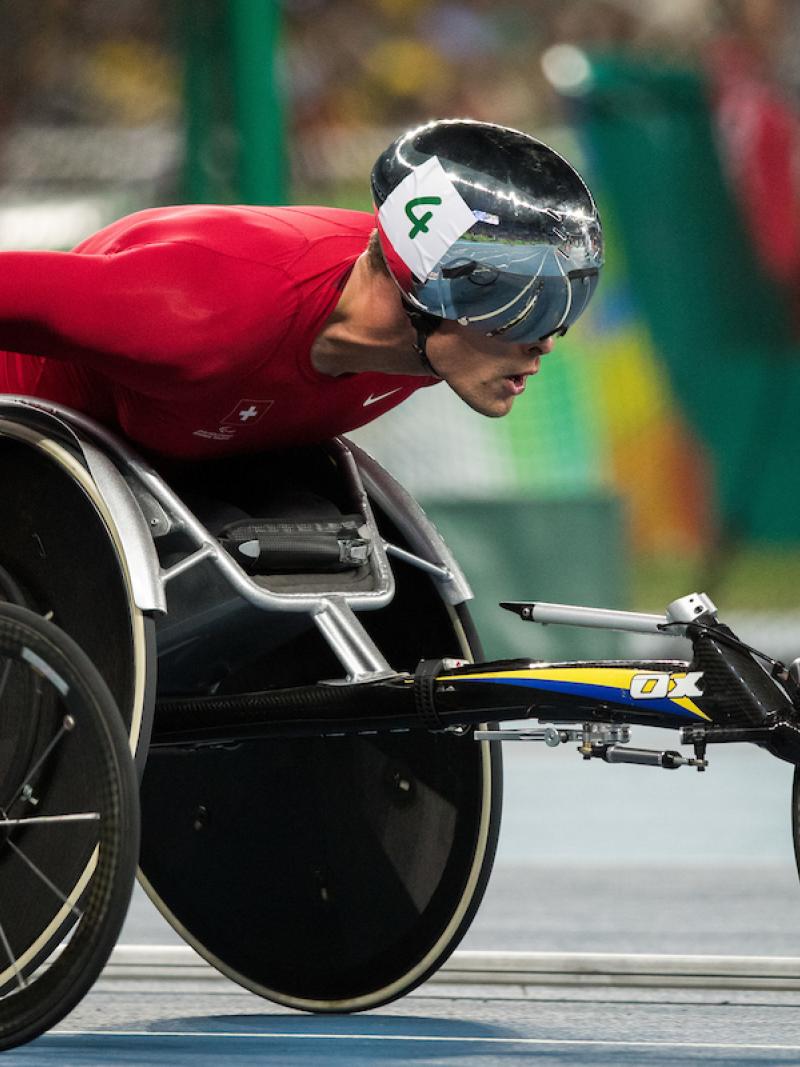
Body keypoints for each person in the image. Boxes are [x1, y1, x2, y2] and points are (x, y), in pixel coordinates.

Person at [0, 119, 603, 462]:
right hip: (35, 434)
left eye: (553, 309)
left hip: (175, 462)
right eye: (520, 307)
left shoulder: (428, 336)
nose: (543, 343)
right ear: (423, 293)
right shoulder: (201, 311)